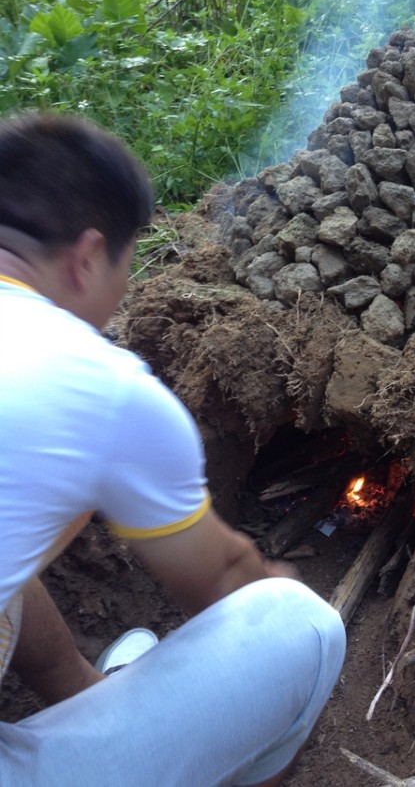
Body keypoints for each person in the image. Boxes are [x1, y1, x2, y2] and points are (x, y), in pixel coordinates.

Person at [0, 112, 346, 786]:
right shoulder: (95, 383)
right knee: (298, 625)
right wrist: (272, 580)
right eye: (125, 268)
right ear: (88, 256)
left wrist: (79, 689)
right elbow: (223, 585)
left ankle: (84, 701)